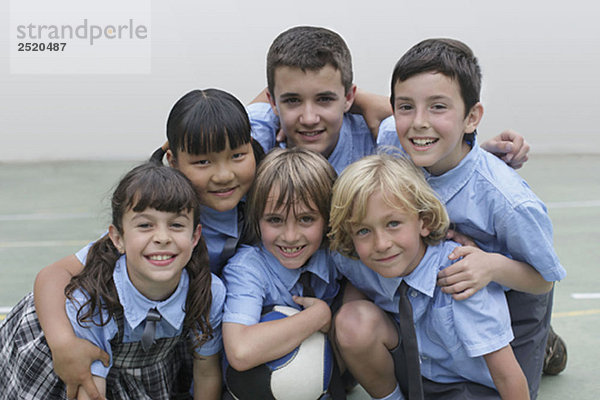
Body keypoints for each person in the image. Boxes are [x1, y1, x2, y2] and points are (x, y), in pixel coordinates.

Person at [32, 88, 262, 399]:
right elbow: (53, 274)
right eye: (203, 161)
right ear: (173, 160)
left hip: (172, 325)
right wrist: (62, 344)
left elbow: (283, 91)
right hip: (78, 331)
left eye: (237, 155)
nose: (223, 175)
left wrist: (351, 96)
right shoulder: (159, 221)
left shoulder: (262, 204)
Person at [376, 38, 566, 397]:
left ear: (472, 117)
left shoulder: (508, 200)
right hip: (445, 298)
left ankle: (548, 349)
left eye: (438, 107)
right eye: (406, 107)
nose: (418, 123)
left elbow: (544, 279)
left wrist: (492, 267)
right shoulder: (392, 138)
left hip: (511, 298)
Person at [0, 162, 225, 400]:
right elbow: (89, 390)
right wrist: (62, 343)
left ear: (195, 236)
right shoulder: (91, 300)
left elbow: (207, 372)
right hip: (63, 349)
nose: (162, 237)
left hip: (138, 363)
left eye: (176, 225)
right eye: (145, 225)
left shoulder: (208, 292)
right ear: (117, 239)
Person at [329, 153, 530, 400]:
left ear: (424, 222)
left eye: (393, 223)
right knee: (352, 320)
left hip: (470, 387)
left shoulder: (459, 276)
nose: (380, 244)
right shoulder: (359, 262)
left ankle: (549, 349)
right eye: (363, 230)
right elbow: (351, 278)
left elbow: (507, 376)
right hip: (417, 373)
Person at [247, 25, 530, 175]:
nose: (309, 118)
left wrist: (475, 154)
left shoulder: (382, 138)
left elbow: (434, 139)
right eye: (292, 101)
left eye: (324, 99)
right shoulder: (255, 140)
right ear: (273, 103)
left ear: (349, 98)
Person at [221, 147, 343, 397]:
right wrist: (318, 316)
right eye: (275, 220)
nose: (290, 236)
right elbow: (240, 351)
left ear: (328, 220)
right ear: (257, 220)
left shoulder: (334, 257)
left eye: (306, 219)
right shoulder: (247, 269)